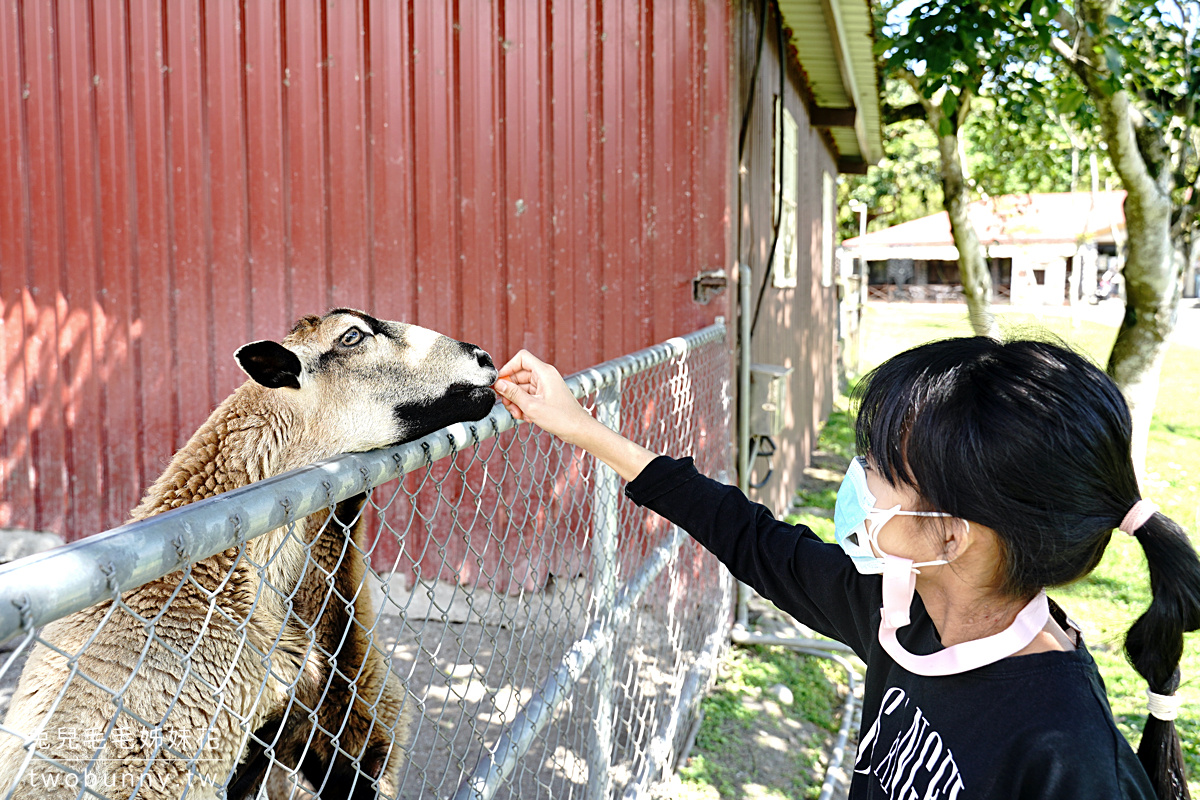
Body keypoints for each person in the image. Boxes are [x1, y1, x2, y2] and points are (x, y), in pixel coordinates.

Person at [493, 336, 1200, 800]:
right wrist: (581, 426)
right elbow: (749, 538)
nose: (856, 479)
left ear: (952, 536)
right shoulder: (905, 612)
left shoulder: (1068, 757)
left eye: (878, 469)